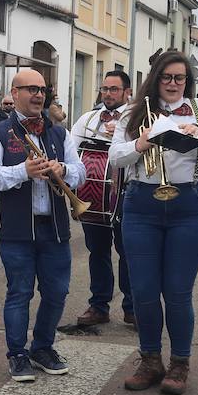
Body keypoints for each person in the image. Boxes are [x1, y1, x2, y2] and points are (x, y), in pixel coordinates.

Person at [111, 53, 198, 395]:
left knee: (178, 291)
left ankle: (180, 363)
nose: (172, 83)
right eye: (166, 77)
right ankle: (150, 359)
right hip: (141, 204)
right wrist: (142, 141)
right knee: (144, 291)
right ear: (156, 77)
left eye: (179, 78)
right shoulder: (134, 111)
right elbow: (115, 158)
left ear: (188, 81)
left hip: (192, 205)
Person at [0, 68, 86, 382]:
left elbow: (80, 172)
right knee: (20, 292)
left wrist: (63, 169)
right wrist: (23, 171)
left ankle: (42, 347)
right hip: (15, 229)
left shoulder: (59, 133)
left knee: (57, 292)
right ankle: (18, 354)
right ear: (14, 92)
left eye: (42, 89)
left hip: (54, 226)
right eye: (31, 89)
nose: (39, 95)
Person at [71, 69, 134, 327]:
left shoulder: (137, 118)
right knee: (97, 251)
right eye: (105, 89)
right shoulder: (88, 119)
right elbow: (72, 149)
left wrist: (122, 134)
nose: (107, 94)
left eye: (114, 89)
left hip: (127, 193)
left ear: (127, 92)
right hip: (94, 195)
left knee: (128, 252)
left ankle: (132, 307)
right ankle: (99, 306)